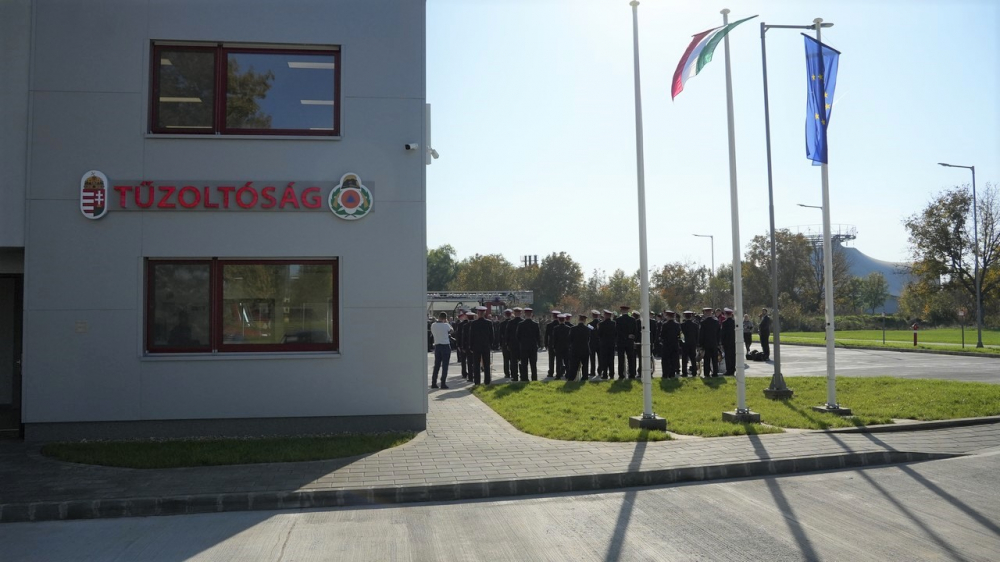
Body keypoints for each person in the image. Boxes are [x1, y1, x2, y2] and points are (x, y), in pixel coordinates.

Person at [470, 306, 495, 385]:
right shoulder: (489, 323)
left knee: (476, 365)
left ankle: (477, 381)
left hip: (476, 346)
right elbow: (492, 335)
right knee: (486, 364)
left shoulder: (474, 323)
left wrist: (471, 346)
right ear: (484, 313)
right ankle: (487, 381)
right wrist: (491, 344)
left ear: (478, 313)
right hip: (486, 346)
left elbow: (471, 336)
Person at [516, 307, 541, 381]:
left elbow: (517, 336)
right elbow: (538, 336)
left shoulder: (521, 324)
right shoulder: (535, 324)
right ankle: (534, 378)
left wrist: (521, 343)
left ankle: (524, 378)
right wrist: (538, 344)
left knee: (524, 364)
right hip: (533, 346)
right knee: (533, 364)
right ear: (531, 314)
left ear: (524, 314)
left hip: (524, 346)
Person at [430, 312, 453, 389]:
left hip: (437, 346)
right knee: (445, 366)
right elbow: (452, 330)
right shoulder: (446, 325)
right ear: (445, 318)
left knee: (436, 365)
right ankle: (443, 383)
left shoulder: (433, 325)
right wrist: (447, 323)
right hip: (445, 346)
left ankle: (433, 382)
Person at [615, 305, 637, 379]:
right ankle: (632, 374)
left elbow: (618, 331)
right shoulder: (632, 319)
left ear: (621, 311)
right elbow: (635, 330)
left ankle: (621, 374)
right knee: (631, 358)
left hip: (621, 341)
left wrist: (625, 336)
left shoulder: (618, 320)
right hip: (630, 341)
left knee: (621, 359)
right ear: (628, 311)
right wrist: (632, 336)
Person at [568, 314, 592, 381]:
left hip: (575, 349)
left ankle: (572, 378)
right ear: (584, 320)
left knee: (574, 365)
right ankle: (585, 377)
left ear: (579, 320)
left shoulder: (573, 329)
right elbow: (588, 339)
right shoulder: (587, 329)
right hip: (585, 349)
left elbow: (570, 339)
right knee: (585, 365)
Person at [699, 307, 720, 377]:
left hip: (706, 344)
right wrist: (718, 342)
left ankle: (706, 373)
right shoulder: (716, 322)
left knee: (707, 359)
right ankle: (715, 372)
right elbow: (719, 333)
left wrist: (700, 344)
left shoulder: (703, 323)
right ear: (711, 312)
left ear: (705, 313)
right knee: (714, 359)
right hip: (714, 343)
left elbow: (701, 335)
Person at [659, 310, 681, 378]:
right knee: (673, 360)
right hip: (674, 344)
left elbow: (662, 335)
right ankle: (672, 374)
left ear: (667, 316)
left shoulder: (665, 324)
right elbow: (679, 334)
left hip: (666, 344)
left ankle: (665, 374)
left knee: (665, 360)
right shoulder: (677, 324)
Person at [597, 309, 617, 379]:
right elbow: (615, 333)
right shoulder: (614, 323)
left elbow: (599, 334)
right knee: (611, 359)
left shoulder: (601, 324)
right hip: (611, 343)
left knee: (604, 359)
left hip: (604, 344)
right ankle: (612, 374)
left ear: (605, 315)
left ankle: (605, 374)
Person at [552, 313, 572, 379]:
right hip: (566, 347)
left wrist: (554, 347)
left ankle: (558, 375)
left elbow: (554, 339)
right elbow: (570, 339)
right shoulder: (568, 328)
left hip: (558, 347)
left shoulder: (556, 328)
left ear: (558, 320)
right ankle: (568, 374)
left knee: (558, 362)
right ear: (564, 320)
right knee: (567, 362)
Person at [680, 310, 699, 377]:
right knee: (693, 358)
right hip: (693, 343)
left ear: (685, 316)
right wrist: (696, 343)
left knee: (684, 359)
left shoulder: (682, 325)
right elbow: (697, 335)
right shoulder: (695, 325)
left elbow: (681, 335)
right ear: (691, 316)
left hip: (685, 344)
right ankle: (694, 372)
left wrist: (681, 343)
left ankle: (684, 372)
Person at [507, 307, 524, 377]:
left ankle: (515, 376)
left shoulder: (510, 322)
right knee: (522, 360)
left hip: (513, 344)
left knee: (513, 361)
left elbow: (507, 334)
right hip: (521, 344)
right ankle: (522, 374)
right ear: (521, 313)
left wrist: (507, 344)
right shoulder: (523, 322)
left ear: (514, 313)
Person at [498, 309, 513, 378]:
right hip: (512, 343)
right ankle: (513, 372)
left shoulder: (502, 324)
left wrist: (500, 344)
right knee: (513, 359)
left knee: (506, 359)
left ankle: (507, 373)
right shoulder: (513, 323)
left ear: (505, 315)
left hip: (504, 343)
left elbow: (500, 335)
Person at [722, 308, 737, 376]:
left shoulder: (724, 323)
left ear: (726, 314)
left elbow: (723, 334)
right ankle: (733, 369)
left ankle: (728, 370)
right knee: (733, 356)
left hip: (727, 342)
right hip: (734, 342)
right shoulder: (735, 322)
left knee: (728, 357)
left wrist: (722, 342)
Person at [545, 310, 561, 377]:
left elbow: (546, 336)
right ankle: (559, 372)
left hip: (551, 344)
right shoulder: (560, 325)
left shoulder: (549, 325)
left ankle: (551, 372)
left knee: (551, 359)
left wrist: (546, 344)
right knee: (559, 359)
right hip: (559, 344)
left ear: (553, 316)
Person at [588, 310, 601, 378]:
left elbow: (588, 334)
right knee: (600, 358)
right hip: (600, 343)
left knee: (592, 359)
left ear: (593, 316)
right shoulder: (601, 323)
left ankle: (592, 372)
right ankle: (600, 371)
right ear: (598, 316)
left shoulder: (589, 324)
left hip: (592, 343)